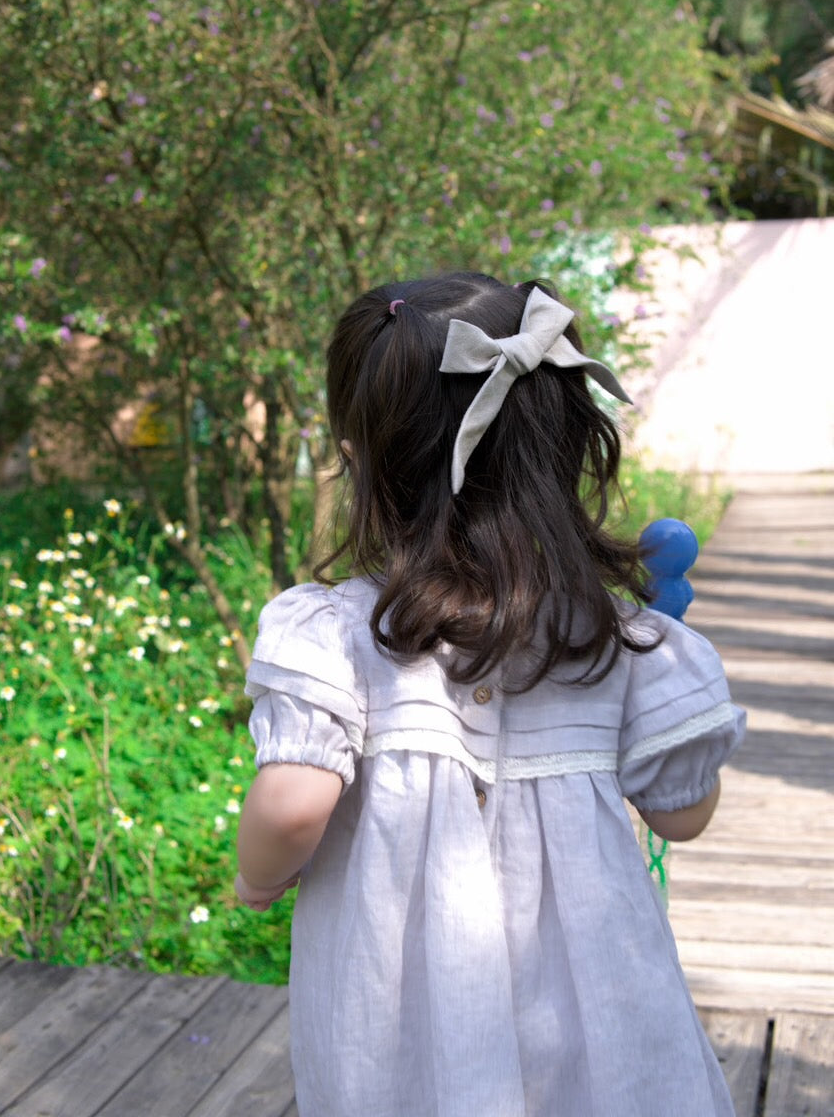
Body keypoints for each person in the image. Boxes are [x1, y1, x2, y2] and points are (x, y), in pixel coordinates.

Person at [234, 273, 745, 1117]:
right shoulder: (616, 637)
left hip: (409, 1044)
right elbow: (685, 814)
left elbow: (291, 810)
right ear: (560, 448)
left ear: (361, 464)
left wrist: (258, 882)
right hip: (602, 1036)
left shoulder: (336, 635)